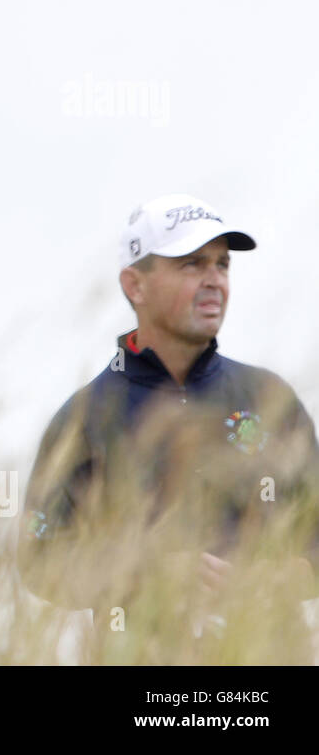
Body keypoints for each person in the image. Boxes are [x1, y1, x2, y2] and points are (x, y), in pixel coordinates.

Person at [18, 193, 319, 663]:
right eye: (192, 265)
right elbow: (40, 561)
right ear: (135, 285)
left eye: (222, 265)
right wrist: (144, 570)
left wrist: (277, 576)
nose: (214, 281)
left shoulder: (271, 399)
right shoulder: (83, 419)